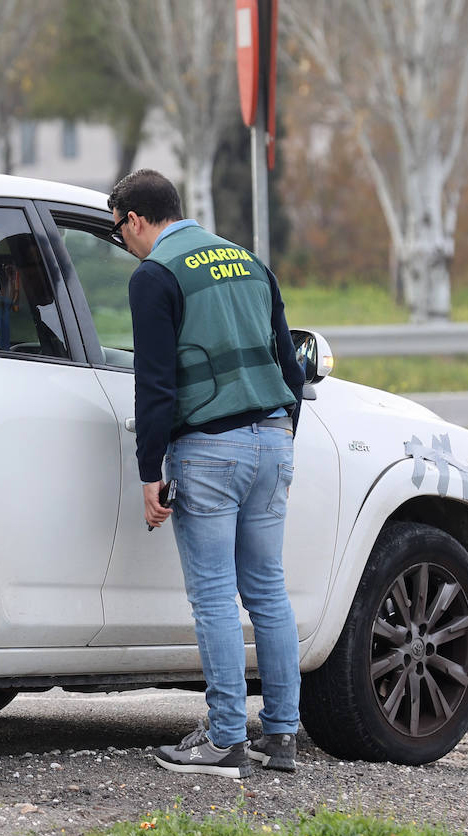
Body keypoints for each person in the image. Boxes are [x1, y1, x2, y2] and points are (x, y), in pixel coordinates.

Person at [108, 169, 305, 779]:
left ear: (136, 219)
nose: (125, 244)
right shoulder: (249, 263)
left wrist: (149, 471)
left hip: (209, 449)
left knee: (216, 595)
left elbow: (156, 383)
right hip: (273, 440)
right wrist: (281, 430)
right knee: (268, 591)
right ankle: (281, 736)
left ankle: (224, 740)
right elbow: (289, 364)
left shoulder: (156, 276)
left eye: (120, 232)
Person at [0, 233, 67, 357]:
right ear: (11, 272)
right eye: (45, 267)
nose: (56, 276)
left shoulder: (33, 323)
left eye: (56, 268)